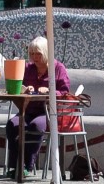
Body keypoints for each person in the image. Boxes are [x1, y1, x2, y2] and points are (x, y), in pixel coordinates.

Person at [6, 35, 73, 174]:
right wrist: (25, 89)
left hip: (47, 111)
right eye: (32, 54)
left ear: (46, 52)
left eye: (38, 54)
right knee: (13, 125)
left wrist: (49, 90)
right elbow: (18, 86)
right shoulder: (28, 68)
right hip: (27, 110)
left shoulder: (58, 68)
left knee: (36, 126)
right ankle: (15, 165)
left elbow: (65, 92)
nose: (35, 57)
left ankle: (27, 166)